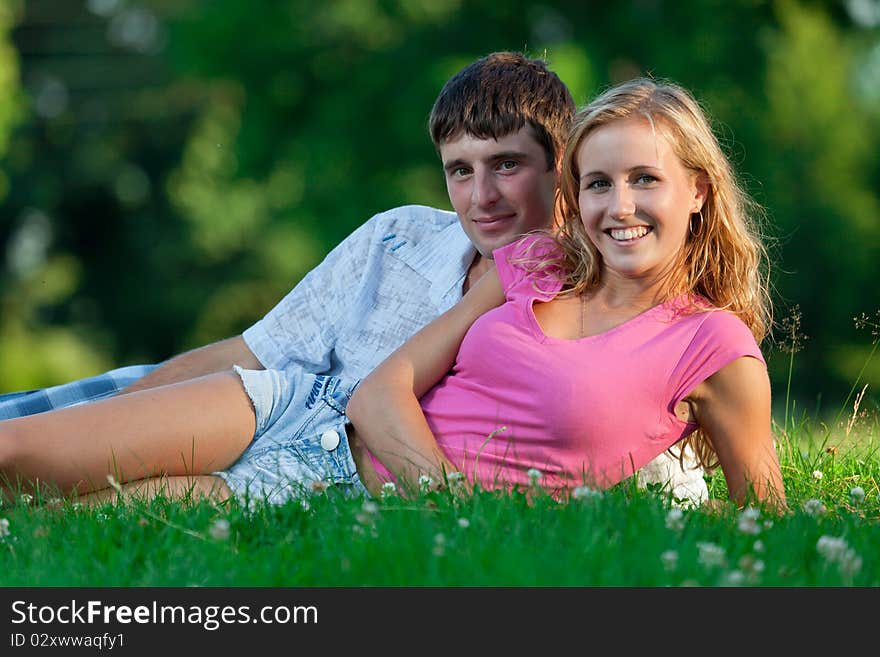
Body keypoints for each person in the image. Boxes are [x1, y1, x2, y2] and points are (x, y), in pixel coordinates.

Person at [0, 55, 707, 506]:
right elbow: (253, 352)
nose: (481, 195)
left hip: (324, 468)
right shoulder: (396, 236)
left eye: (507, 165)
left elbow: (622, 414)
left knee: (51, 517)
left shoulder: (584, 291)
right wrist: (108, 420)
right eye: (460, 170)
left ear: (564, 166)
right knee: (24, 440)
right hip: (275, 403)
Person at [346, 77, 786, 508]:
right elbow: (377, 394)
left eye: (645, 179)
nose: (619, 207)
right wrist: (455, 506)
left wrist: (459, 521)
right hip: (320, 443)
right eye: (598, 183)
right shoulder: (539, 262)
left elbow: (766, 517)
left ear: (698, 192)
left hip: (373, 507)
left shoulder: (712, 344)